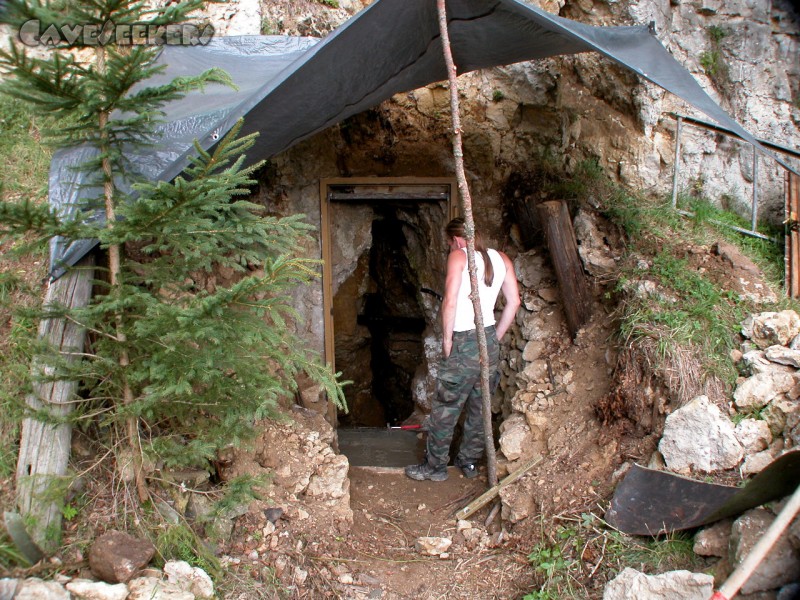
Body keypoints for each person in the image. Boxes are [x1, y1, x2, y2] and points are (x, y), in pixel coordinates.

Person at [405, 218, 520, 481]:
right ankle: (468, 462)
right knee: (481, 406)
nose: (450, 248)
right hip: (488, 339)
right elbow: (514, 302)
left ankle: (434, 467)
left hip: (462, 340)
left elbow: (450, 301)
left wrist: (447, 340)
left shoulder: (459, 256)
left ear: (457, 240)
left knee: (447, 406)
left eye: (449, 244)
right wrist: (495, 336)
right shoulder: (501, 258)